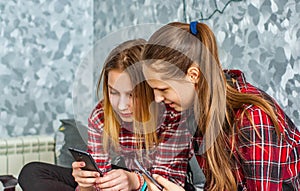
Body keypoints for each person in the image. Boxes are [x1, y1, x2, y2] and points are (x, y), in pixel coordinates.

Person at [141, 22, 300, 191]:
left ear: (193, 75)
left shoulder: (252, 119)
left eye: (163, 89)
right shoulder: (195, 114)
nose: (157, 98)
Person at [19, 39, 192, 191]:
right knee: (32, 173)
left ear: (149, 90)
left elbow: (167, 183)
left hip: (157, 184)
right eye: (114, 92)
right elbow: (99, 179)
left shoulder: (172, 116)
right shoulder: (101, 115)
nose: (121, 106)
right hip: (118, 177)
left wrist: (135, 181)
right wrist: (87, 184)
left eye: (131, 94)